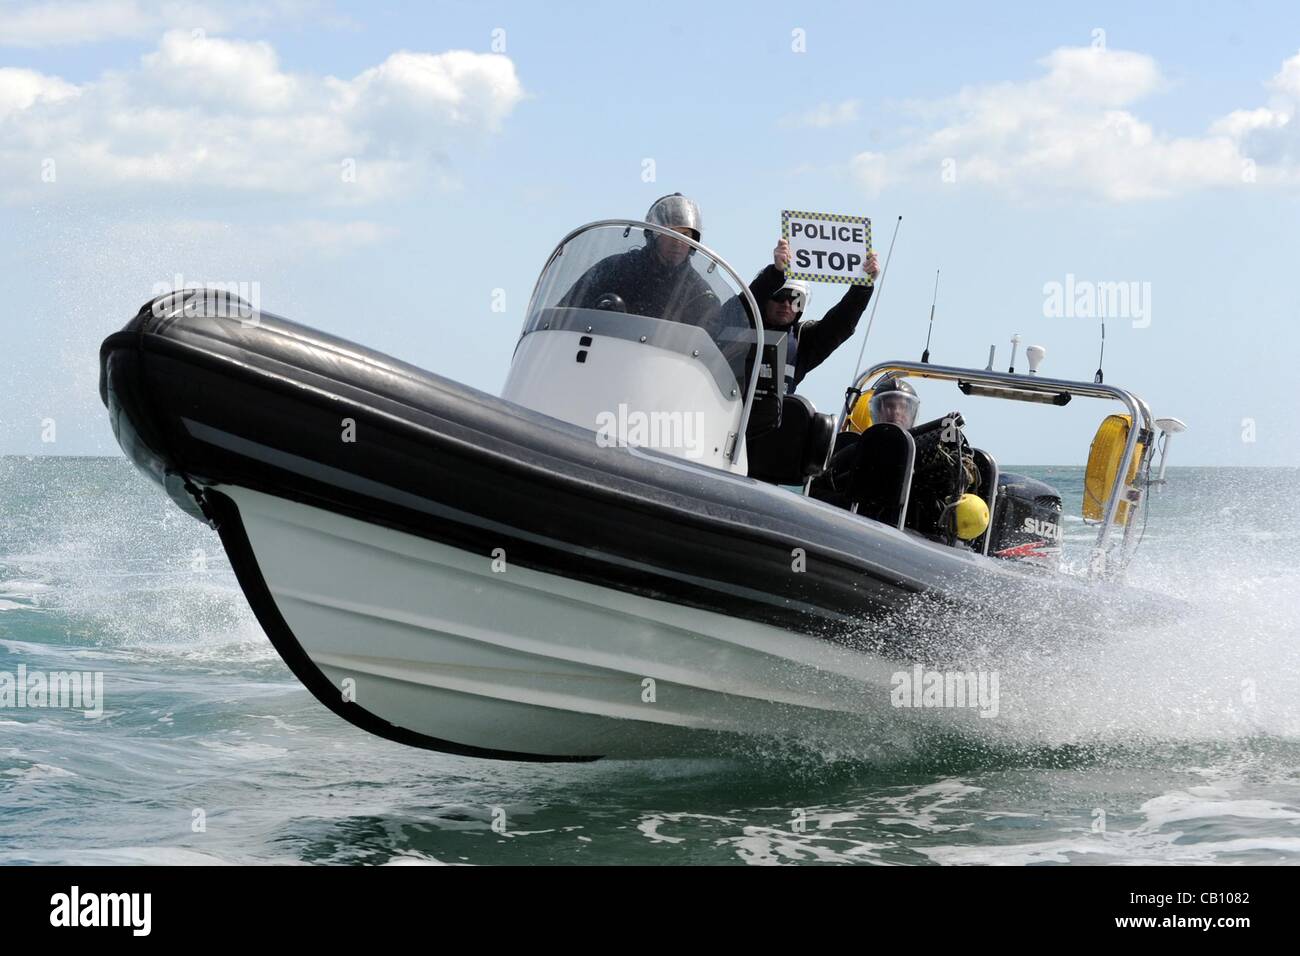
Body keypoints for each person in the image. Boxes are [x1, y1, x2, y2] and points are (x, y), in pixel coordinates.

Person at [557, 193, 719, 326]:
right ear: (652, 235)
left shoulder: (700, 295)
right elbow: (562, 313)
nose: (677, 242)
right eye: (670, 233)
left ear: (693, 243)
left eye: (685, 236)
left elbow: (709, 354)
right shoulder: (614, 269)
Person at [754, 238, 880, 394]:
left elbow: (840, 323)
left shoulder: (803, 341)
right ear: (765, 299)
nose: (786, 304)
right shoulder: (740, 325)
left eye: (794, 298)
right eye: (780, 297)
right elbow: (740, 306)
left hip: (774, 418)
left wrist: (863, 286)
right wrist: (776, 273)